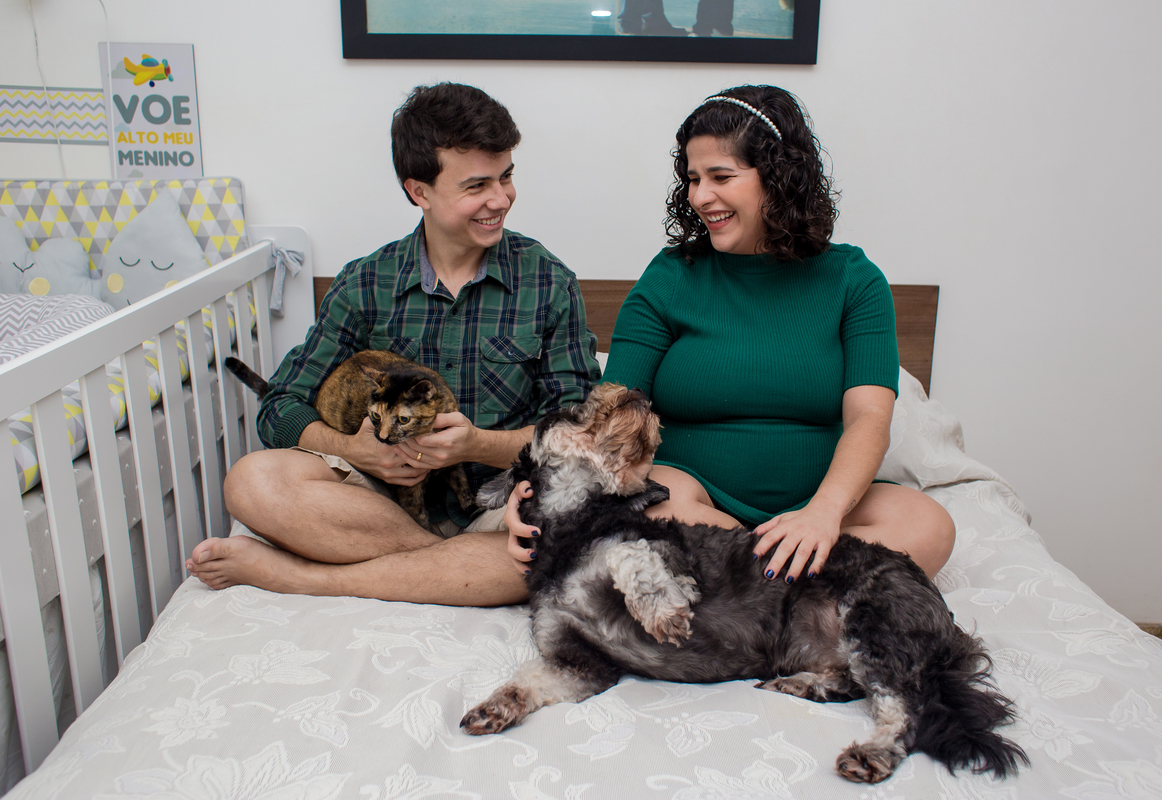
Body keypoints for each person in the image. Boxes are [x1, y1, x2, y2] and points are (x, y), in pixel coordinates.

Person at [507, 85, 955, 584]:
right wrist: (532, 490)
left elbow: (869, 417)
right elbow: (609, 413)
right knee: (638, 507)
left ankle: (747, 581)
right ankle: (793, 585)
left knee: (929, 526)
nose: (701, 196)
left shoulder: (855, 279)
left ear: (779, 179)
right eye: (694, 179)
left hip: (820, 503)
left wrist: (823, 514)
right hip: (692, 497)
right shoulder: (671, 277)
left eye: (721, 177)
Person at [186, 83, 600, 605]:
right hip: (376, 506)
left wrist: (476, 444)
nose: (500, 199)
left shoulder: (548, 282)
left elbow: (578, 434)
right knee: (251, 482)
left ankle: (303, 576)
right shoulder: (365, 283)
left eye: (507, 177)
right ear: (419, 191)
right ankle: (446, 565)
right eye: (477, 186)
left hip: (500, 504)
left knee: (570, 530)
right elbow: (279, 407)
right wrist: (355, 450)